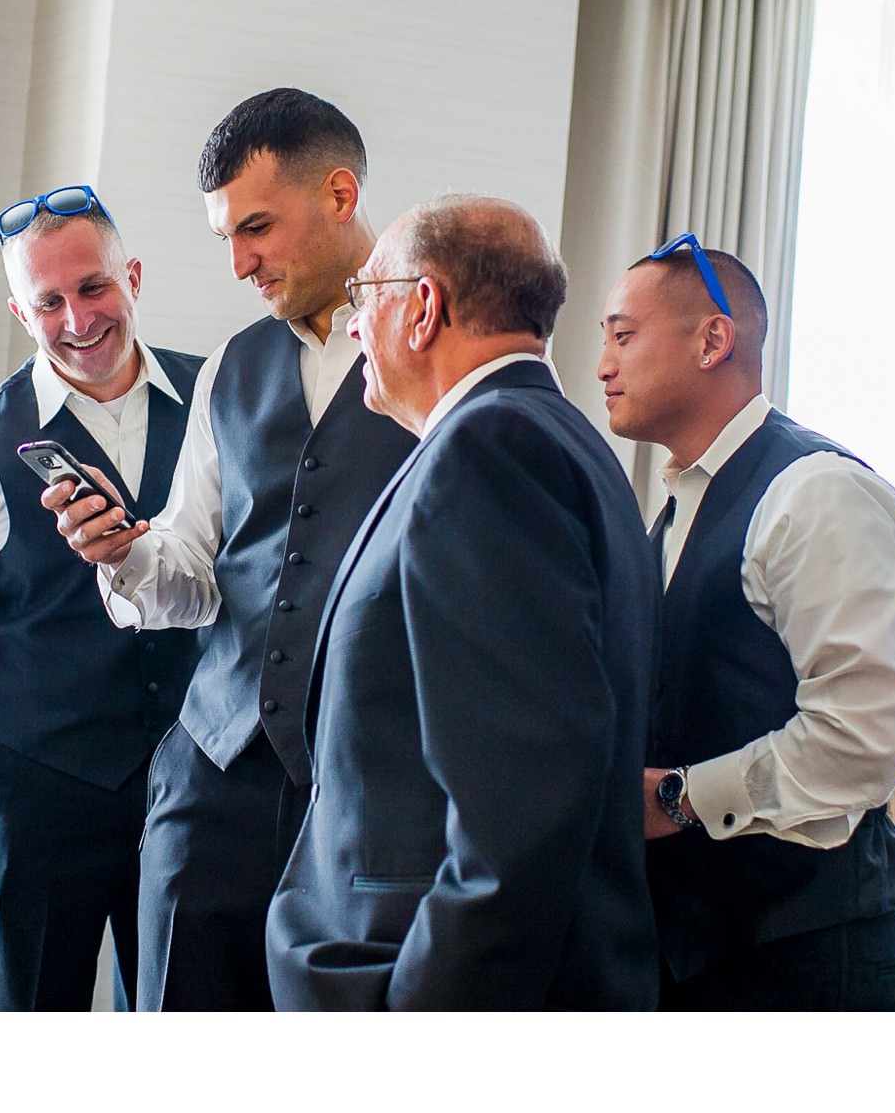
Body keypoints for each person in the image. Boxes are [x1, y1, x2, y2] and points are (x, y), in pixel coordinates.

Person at [50, 89, 416, 1010]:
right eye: (226, 239)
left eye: (257, 227)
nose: (242, 262)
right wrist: (123, 555)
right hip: (214, 780)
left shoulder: (444, 350)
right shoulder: (232, 366)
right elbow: (194, 574)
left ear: (339, 194)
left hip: (373, 790)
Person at [263, 194, 660, 1010]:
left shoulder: (491, 449)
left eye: (363, 299)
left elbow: (521, 807)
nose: (350, 326)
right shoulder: (559, 440)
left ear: (423, 307)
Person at [0, 186, 203, 1011]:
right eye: (49, 301)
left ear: (132, 277)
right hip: (41, 800)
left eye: (94, 287)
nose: (77, 318)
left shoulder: (217, 403)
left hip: (198, 793)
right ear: (21, 314)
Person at [598, 234, 895, 1010]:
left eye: (622, 335)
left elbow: (867, 734)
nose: (603, 365)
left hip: (810, 965)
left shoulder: (815, 492)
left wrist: (678, 800)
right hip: (694, 958)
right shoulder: (677, 504)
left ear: (713, 339)